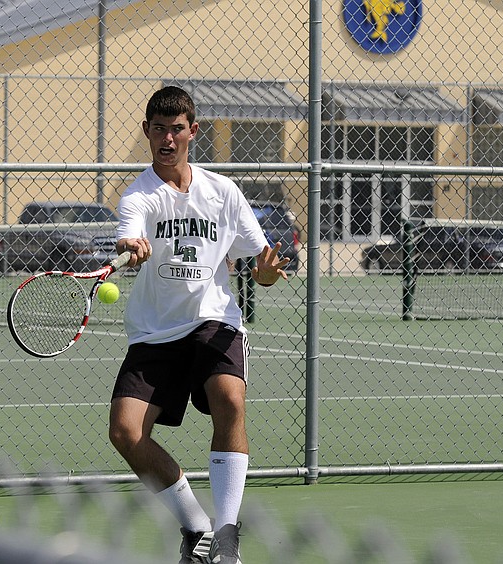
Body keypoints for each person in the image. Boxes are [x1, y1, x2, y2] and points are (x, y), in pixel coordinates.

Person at [108, 86, 290, 564]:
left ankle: (227, 532)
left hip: (214, 320)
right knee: (125, 432)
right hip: (156, 331)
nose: (168, 138)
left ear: (193, 132)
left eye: (177, 129)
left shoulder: (222, 192)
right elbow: (130, 230)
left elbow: (260, 263)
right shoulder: (139, 195)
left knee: (229, 396)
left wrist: (266, 273)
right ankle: (197, 526)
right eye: (159, 129)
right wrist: (133, 246)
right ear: (147, 132)